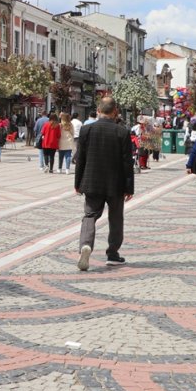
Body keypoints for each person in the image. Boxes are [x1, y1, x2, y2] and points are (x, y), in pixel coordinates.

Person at [75, 97, 134, 271]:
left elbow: (80, 159)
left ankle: (86, 244)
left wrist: (78, 183)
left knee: (90, 215)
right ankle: (112, 254)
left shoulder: (86, 130)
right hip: (116, 183)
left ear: (98, 110)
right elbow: (127, 162)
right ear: (115, 111)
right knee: (115, 218)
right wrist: (129, 187)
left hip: (92, 181)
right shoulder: (122, 132)